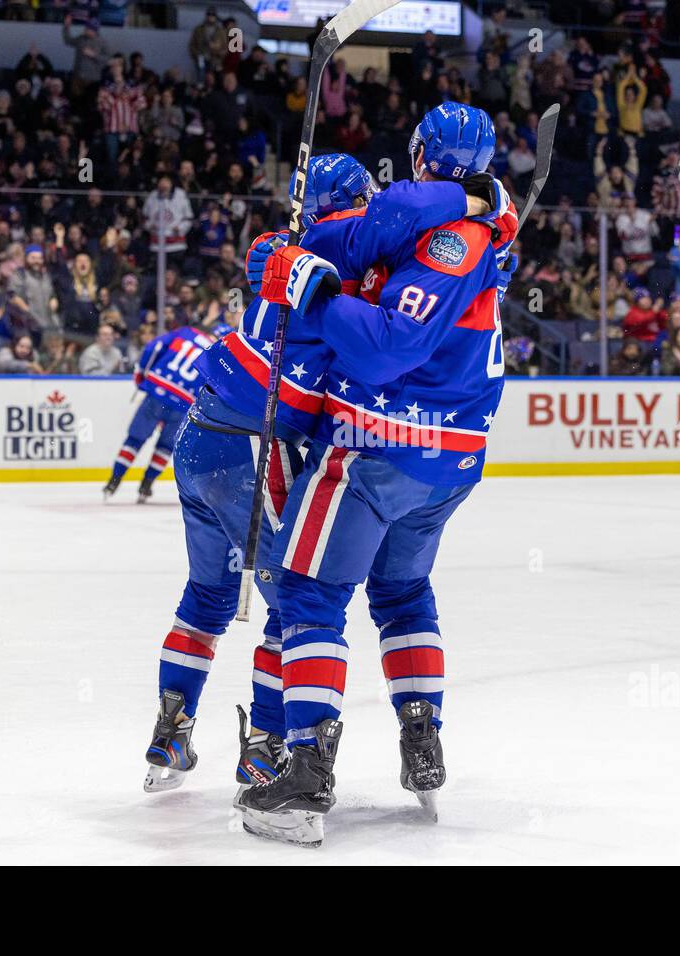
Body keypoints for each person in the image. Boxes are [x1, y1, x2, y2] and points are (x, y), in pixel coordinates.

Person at [142, 152, 508, 805]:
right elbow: (387, 338)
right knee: (294, 602)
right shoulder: (360, 261)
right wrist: (488, 225)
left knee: (208, 597)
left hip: (200, 434)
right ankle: (268, 749)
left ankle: (170, 734)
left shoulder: (277, 244)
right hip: (265, 445)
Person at [235, 104, 518, 845]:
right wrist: (296, 243)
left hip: (376, 448)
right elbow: (367, 235)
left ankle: (305, 775)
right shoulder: (461, 223)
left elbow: (389, 345)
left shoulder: (452, 242)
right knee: (400, 592)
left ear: (420, 154)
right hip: (451, 464)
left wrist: (314, 291)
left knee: (307, 593)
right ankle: (422, 742)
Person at [103, 324, 214, 505]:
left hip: (158, 391)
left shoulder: (185, 332)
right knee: (165, 447)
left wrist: (142, 374)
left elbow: (154, 347)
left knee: (135, 439)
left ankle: (114, 481)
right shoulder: (213, 352)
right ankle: (146, 485)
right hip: (183, 402)